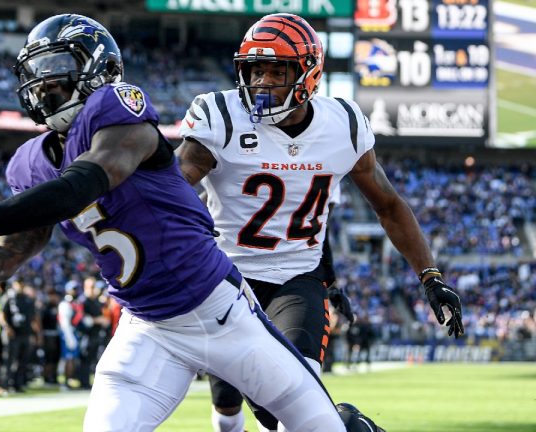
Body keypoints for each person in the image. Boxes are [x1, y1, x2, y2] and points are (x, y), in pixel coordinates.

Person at [0, 14, 354, 431]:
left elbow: (87, 181)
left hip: (223, 314)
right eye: (37, 72)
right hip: (148, 329)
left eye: (57, 70)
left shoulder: (122, 116)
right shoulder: (28, 163)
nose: (44, 84)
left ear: (96, 71)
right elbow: (2, 259)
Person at [175, 13, 464, 432]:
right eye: (256, 69)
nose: (263, 82)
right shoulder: (221, 116)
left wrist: (430, 277)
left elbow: (389, 205)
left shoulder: (342, 126)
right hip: (225, 278)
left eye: (278, 70)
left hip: (297, 280)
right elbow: (169, 190)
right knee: (226, 401)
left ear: (308, 74)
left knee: (290, 408)